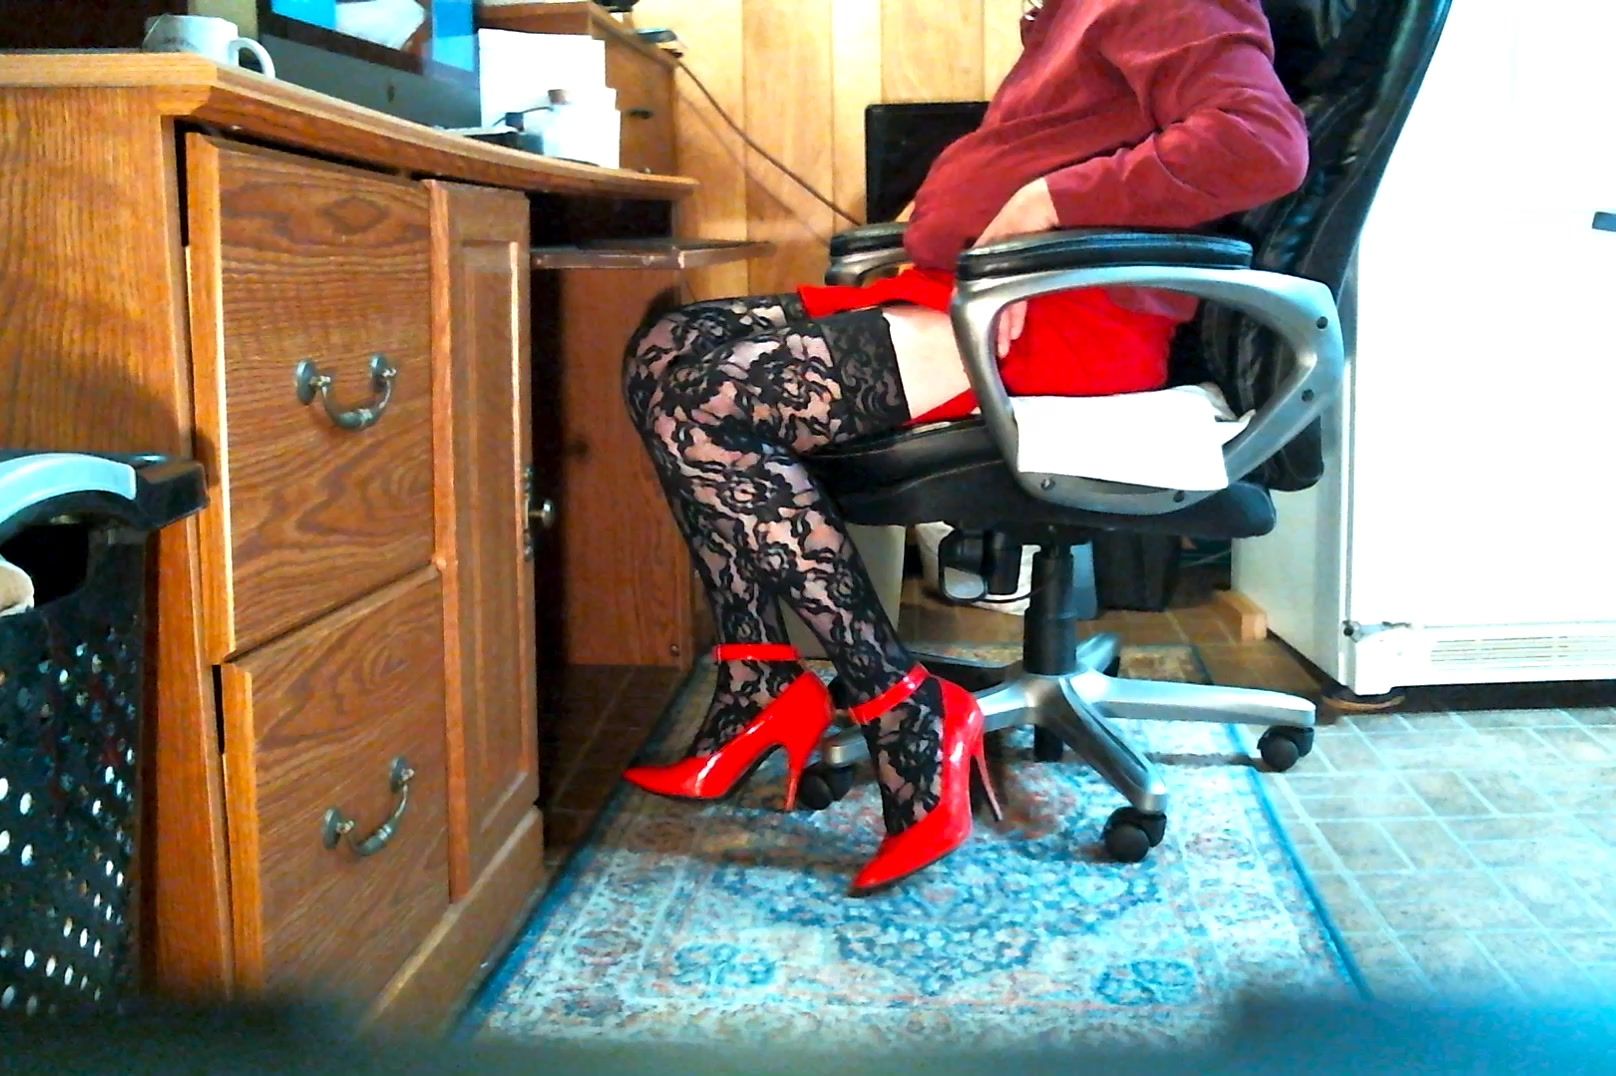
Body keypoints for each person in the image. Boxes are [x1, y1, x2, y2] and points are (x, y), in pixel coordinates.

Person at [619, 0, 1310, 895]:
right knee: (667, 348)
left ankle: (901, 708)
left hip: (1052, 322)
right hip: (973, 296)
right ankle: (757, 680)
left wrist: (1042, 203)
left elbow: (1262, 143)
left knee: (704, 397)